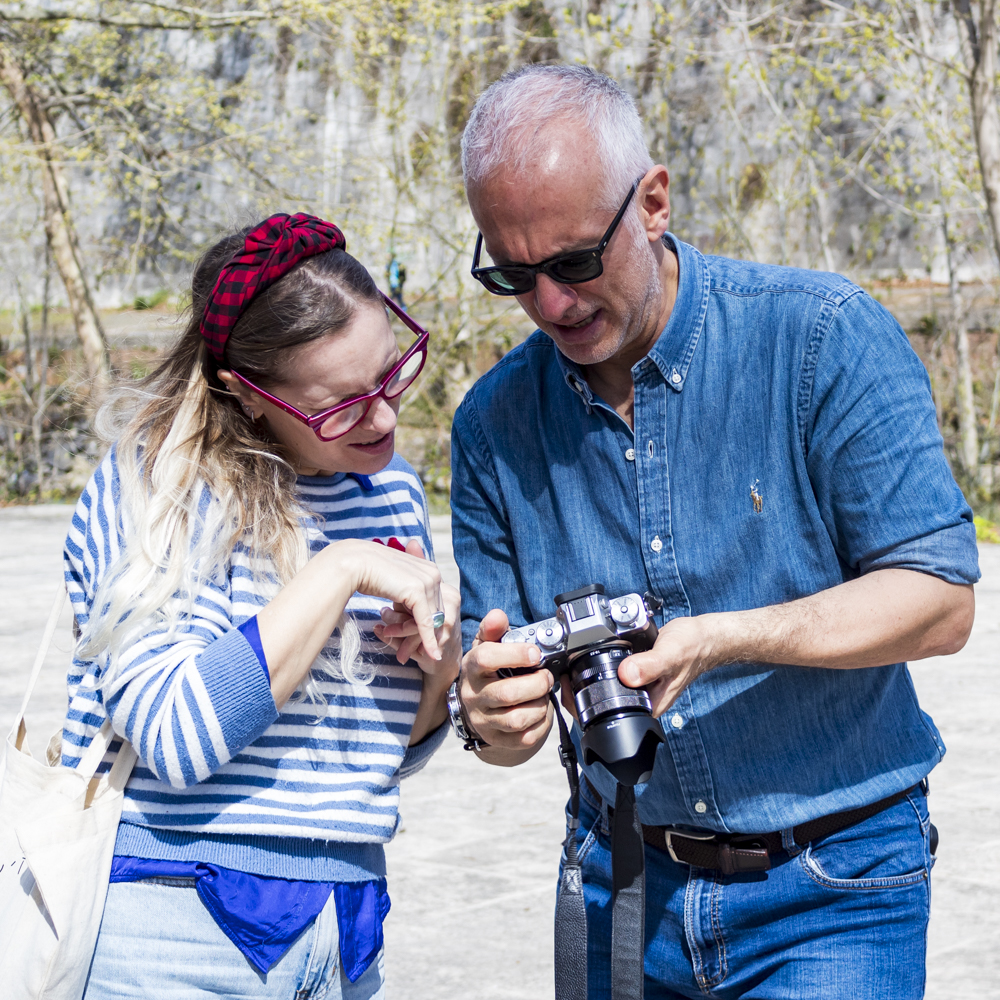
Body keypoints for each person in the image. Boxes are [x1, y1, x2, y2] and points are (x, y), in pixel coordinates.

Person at [446, 65, 980, 998]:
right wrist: (487, 714)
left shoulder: (822, 338)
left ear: (653, 202)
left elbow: (938, 601)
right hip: (621, 891)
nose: (551, 306)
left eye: (574, 263)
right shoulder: (493, 425)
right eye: (512, 276)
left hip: (833, 888)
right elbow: (496, 709)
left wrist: (723, 639)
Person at [61, 213, 461, 999]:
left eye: (390, 373)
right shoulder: (161, 487)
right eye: (341, 404)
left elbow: (377, 759)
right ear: (249, 396)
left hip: (345, 924)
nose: (384, 417)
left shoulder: (389, 491)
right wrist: (339, 569)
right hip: (170, 929)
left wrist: (439, 676)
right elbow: (174, 739)